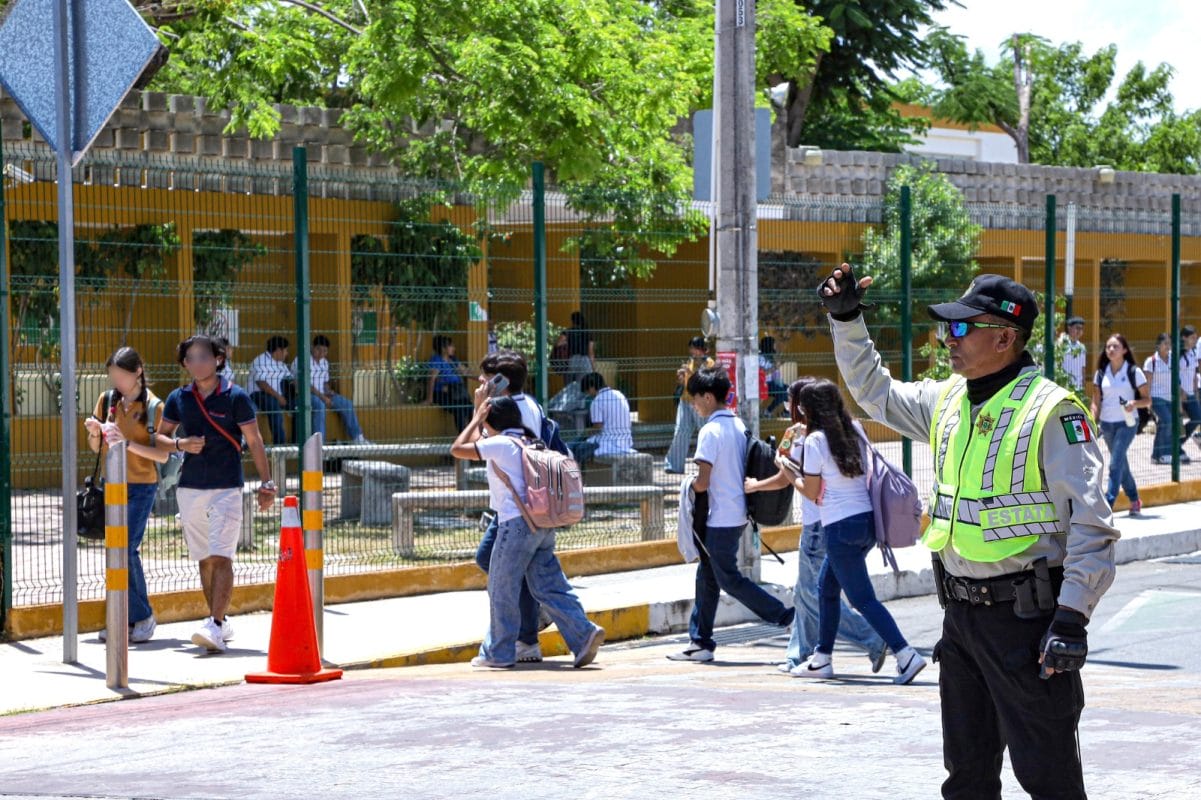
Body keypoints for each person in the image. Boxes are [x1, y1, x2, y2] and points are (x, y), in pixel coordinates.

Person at [819, 265, 1119, 799]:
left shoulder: (1052, 412)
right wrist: (846, 320)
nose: (948, 339)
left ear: (1004, 337)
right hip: (961, 623)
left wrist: (1072, 619)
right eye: (947, 328)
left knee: (1050, 784)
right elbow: (874, 392)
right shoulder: (948, 402)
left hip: (1028, 630)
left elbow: (1093, 527)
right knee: (967, 782)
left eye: (962, 328)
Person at [786, 379, 926, 684]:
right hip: (866, 522)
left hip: (839, 527)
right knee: (826, 589)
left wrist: (789, 474)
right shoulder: (856, 430)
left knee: (862, 598)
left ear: (808, 410)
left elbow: (811, 492)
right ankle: (821, 658)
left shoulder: (814, 442)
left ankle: (906, 655)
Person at [745, 378, 887, 675]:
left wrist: (757, 485)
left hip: (818, 525)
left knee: (814, 595)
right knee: (807, 592)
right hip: (842, 521)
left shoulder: (809, 438)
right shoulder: (834, 431)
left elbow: (786, 473)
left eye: (792, 401)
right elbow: (782, 460)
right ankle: (800, 655)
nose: (789, 405)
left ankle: (872, 637)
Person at [451, 395, 605, 669]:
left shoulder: (501, 445)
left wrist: (476, 417)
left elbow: (458, 448)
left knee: (502, 588)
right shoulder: (529, 440)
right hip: (542, 526)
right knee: (551, 586)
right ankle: (583, 635)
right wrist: (481, 416)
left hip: (516, 527)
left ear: (491, 422)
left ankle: (498, 653)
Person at [156, 335, 277, 653]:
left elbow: (255, 440)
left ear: (218, 360)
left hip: (227, 488)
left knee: (222, 556)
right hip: (190, 488)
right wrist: (182, 444)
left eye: (204, 357)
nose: (198, 363)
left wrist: (267, 483)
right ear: (184, 363)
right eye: (191, 358)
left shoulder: (236, 397)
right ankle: (217, 622)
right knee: (205, 559)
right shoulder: (177, 398)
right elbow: (160, 439)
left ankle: (216, 622)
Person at [666, 368, 795, 663]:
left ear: (708, 398)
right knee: (708, 577)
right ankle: (700, 642)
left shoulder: (710, 431)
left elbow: (703, 481)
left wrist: (687, 486)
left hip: (719, 518)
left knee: (729, 580)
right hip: (736, 514)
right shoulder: (737, 424)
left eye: (696, 399)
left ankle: (787, 617)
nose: (694, 405)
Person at [84, 347, 170, 644]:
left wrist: (126, 443)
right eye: (113, 376)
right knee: (114, 549)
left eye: (122, 375)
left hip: (142, 485)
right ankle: (122, 619)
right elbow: (97, 449)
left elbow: (161, 456)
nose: (117, 381)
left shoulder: (156, 407)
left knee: (126, 548)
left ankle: (142, 616)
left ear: (138, 372)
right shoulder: (107, 401)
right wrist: (95, 432)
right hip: (112, 483)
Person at [473, 350, 549, 662]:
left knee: (497, 564)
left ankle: (526, 635)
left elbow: (478, 443)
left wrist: (479, 409)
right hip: (516, 503)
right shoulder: (525, 404)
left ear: (501, 382)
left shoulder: (513, 409)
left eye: (486, 378)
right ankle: (534, 619)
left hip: (519, 506)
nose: (480, 382)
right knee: (506, 566)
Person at [1090, 333, 1151, 514]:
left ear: (1124, 350)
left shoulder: (1134, 372)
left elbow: (1147, 400)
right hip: (1107, 424)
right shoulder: (1101, 374)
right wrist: (1092, 421)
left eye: (1115, 346)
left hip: (1128, 423)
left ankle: (1108, 503)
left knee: (1115, 464)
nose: (1110, 349)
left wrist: (1134, 404)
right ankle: (1134, 500)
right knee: (1121, 464)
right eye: (1108, 346)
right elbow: (1096, 401)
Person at [293, 334, 370, 445]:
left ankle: (358, 437)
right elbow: (306, 385)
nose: (321, 354)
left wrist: (329, 391)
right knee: (320, 405)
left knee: (346, 404)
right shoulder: (301, 360)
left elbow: (325, 383)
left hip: (322, 394)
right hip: (305, 395)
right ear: (312, 347)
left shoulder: (325, 363)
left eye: (325, 351)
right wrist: (323, 397)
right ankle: (319, 444)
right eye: (318, 350)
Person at [665, 336, 715, 474]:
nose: (692, 351)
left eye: (694, 348)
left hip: (700, 403)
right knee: (681, 431)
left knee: (705, 433)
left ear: (701, 349)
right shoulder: (691, 362)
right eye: (691, 348)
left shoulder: (709, 363)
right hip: (686, 400)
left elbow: (705, 381)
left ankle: (709, 463)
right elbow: (686, 381)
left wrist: (690, 373)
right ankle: (673, 465)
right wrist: (682, 377)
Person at [569, 372, 634, 468]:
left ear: (591, 387)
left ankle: (579, 477)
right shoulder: (619, 394)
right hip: (625, 440)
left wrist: (584, 434)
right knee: (577, 444)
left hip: (607, 442)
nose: (588, 395)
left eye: (587, 391)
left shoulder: (597, 401)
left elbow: (597, 428)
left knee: (577, 449)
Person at [1144, 333, 1184, 464]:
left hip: (1170, 398)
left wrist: (1179, 401)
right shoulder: (1151, 361)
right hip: (1156, 397)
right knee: (1168, 421)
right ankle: (1165, 454)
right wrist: (1147, 400)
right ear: (1158, 345)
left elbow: (1177, 381)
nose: (1168, 346)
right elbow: (1148, 382)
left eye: (1169, 343)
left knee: (1164, 425)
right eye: (1165, 343)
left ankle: (1156, 456)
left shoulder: (1173, 358)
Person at [247, 335, 291, 445]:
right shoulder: (260, 361)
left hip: (276, 396)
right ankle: (280, 446)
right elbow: (262, 384)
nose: (287, 354)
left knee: (300, 405)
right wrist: (279, 397)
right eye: (285, 350)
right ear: (278, 350)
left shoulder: (281, 364)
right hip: (258, 394)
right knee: (274, 406)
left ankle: (297, 442)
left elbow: (290, 379)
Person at [425, 334, 472, 431]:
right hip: (443, 394)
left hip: (457, 392)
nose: (454, 348)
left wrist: (481, 377)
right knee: (458, 409)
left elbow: (465, 372)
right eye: (451, 346)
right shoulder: (437, 360)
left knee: (470, 408)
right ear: (443, 348)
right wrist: (430, 399)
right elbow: (431, 379)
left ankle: (475, 435)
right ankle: (462, 436)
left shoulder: (453, 360)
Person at [1178, 325, 1201, 448]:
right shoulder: (1176, 354)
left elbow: (1194, 374)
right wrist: (1180, 392)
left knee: (1197, 418)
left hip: (1191, 394)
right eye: (1192, 338)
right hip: (1179, 395)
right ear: (1184, 338)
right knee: (1177, 423)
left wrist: (1195, 392)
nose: (1195, 341)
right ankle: (1172, 448)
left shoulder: (1193, 352)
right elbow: (1173, 375)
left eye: (1196, 338)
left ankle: (1178, 444)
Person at [759, 336, 788, 416]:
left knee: (789, 390)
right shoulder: (760, 358)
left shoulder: (772, 357)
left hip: (772, 383)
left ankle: (786, 412)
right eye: (774, 344)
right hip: (763, 384)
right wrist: (775, 367)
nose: (775, 346)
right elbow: (762, 373)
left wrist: (780, 383)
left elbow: (776, 374)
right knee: (782, 391)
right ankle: (768, 411)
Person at [564, 311, 595, 385]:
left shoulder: (569, 331)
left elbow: (559, 342)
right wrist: (593, 366)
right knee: (585, 385)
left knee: (571, 386)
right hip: (585, 360)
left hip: (572, 359)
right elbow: (590, 351)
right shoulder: (587, 332)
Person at [1060, 316, 1087, 391]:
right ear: (1069, 328)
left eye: (1081, 329)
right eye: (1077, 328)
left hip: (1078, 386)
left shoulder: (1082, 347)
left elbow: (1083, 367)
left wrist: (1083, 382)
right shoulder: (1062, 344)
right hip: (1064, 385)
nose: (1079, 331)